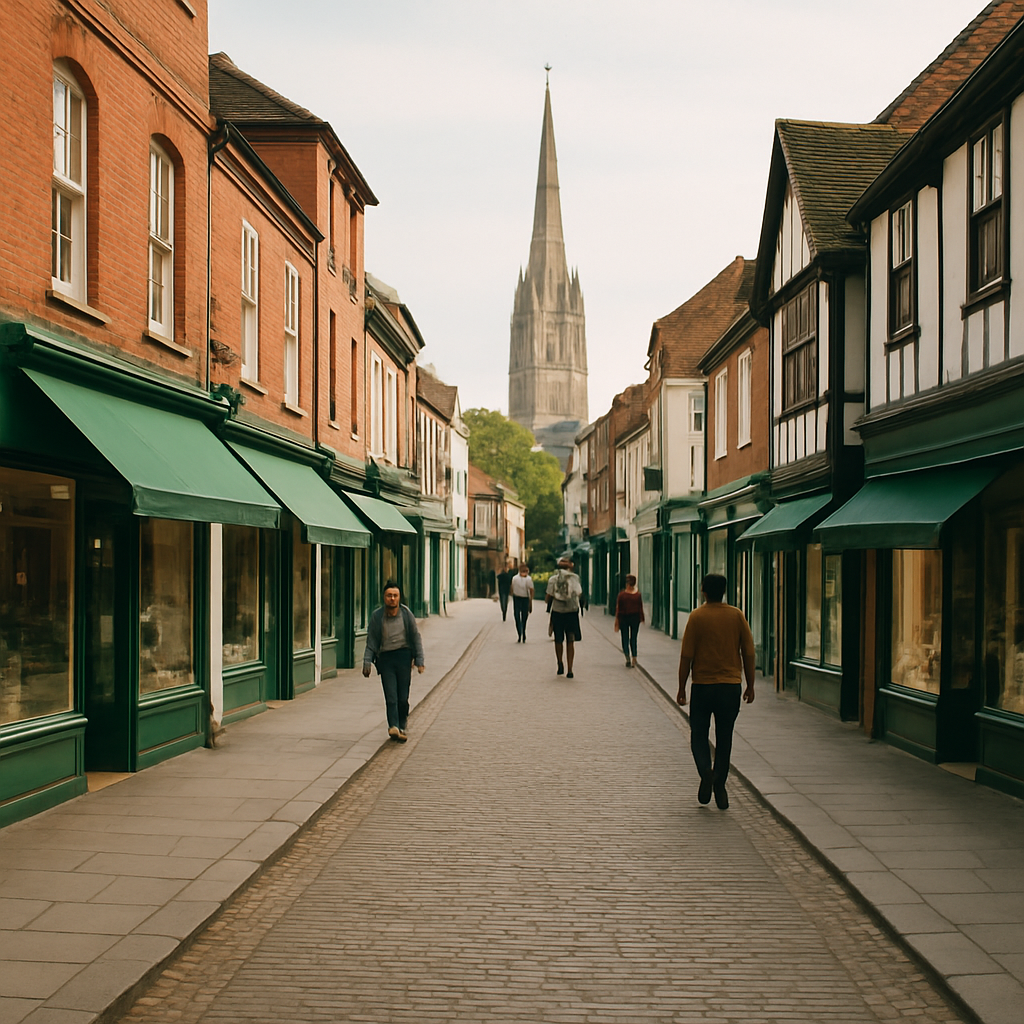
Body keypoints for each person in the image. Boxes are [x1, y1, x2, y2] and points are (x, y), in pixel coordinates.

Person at [676, 573, 755, 810]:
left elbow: (687, 655)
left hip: (703, 685)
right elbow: (748, 653)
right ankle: (719, 783)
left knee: (699, 734)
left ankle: (705, 772)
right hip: (730, 686)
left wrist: (681, 687)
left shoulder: (697, 617)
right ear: (724, 591)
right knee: (725, 736)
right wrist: (750, 684)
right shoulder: (736, 615)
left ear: (703, 591)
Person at [362, 581, 425, 743]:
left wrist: (419, 660)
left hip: (404, 657)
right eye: (389, 595)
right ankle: (394, 726)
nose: (392, 599)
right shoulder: (377, 616)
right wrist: (367, 661)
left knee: (402, 697)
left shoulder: (406, 614)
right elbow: (372, 641)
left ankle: (402, 724)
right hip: (386, 659)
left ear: (399, 598)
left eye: (395, 596)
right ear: (384, 597)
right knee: (391, 696)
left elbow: (415, 637)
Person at [545, 556, 583, 678]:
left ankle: (560, 663)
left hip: (557, 612)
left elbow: (548, 597)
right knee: (570, 640)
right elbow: (579, 593)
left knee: (558, 639)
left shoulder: (553, 579)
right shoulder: (575, 578)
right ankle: (570, 669)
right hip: (571, 612)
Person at [614, 574, 645, 668]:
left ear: (627, 583)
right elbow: (640, 607)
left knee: (625, 638)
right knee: (634, 638)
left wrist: (617, 621)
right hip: (635, 618)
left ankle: (627, 656)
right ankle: (634, 658)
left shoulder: (622, 595)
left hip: (624, 618)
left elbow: (618, 609)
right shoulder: (638, 595)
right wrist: (642, 618)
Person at [510, 563, 534, 642]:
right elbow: (531, 590)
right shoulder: (516, 578)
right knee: (521, 616)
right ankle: (521, 632)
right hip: (521, 598)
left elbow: (512, 588)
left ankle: (521, 632)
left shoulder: (527, 579)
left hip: (520, 598)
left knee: (520, 616)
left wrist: (530, 600)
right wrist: (530, 600)